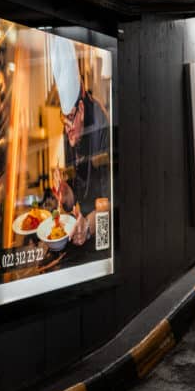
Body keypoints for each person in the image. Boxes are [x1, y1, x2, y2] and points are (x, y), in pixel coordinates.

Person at [48, 35, 110, 247]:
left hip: (99, 235)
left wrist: (88, 228)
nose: (67, 131)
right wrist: (66, 193)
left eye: (70, 121)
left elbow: (108, 202)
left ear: (81, 110)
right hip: (78, 230)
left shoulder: (101, 126)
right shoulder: (70, 131)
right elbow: (76, 196)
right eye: (63, 122)